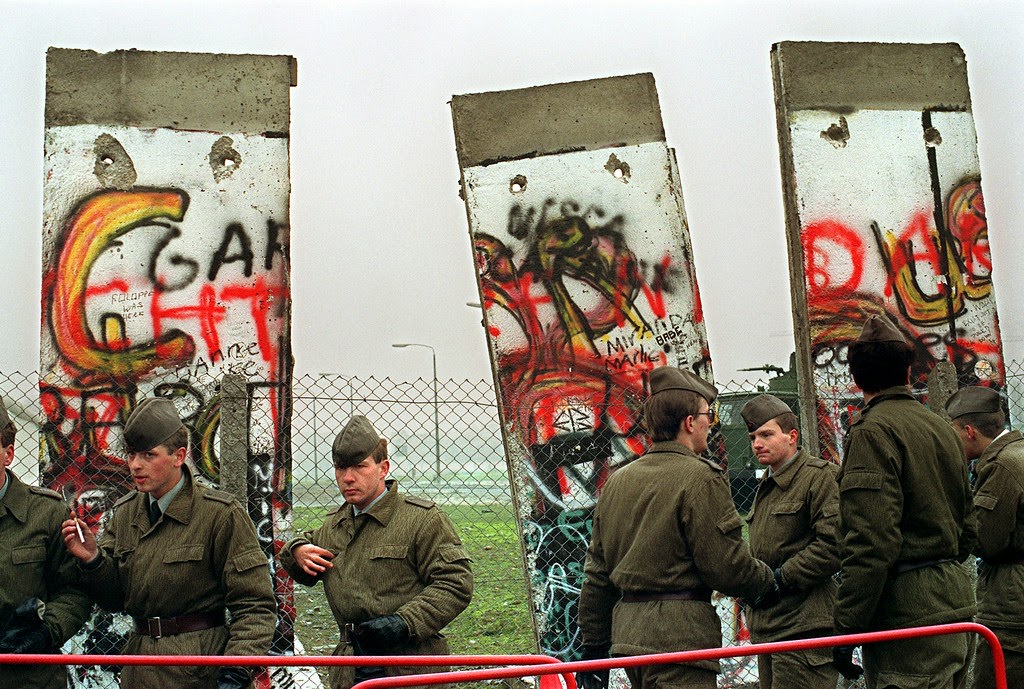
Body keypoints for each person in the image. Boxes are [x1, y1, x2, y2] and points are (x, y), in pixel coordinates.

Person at [577, 367, 776, 689]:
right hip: (680, 641)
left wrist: (593, 649)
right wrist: (770, 583)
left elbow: (598, 574)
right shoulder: (701, 477)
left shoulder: (617, 481)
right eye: (707, 416)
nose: (709, 424)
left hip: (629, 639)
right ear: (688, 422)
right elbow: (726, 567)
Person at [61, 396, 277, 689]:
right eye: (131, 455)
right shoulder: (126, 514)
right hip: (140, 668)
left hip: (200, 670)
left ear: (179, 456)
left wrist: (236, 671)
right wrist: (93, 559)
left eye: (148, 455)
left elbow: (255, 605)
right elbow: (115, 598)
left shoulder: (219, 514)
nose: (135, 465)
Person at [833, 315, 976, 688]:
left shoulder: (872, 432)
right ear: (908, 369)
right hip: (955, 602)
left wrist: (847, 628)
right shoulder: (942, 429)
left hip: (908, 617)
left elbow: (871, 541)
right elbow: (968, 525)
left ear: (857, 376)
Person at [279, 415, 473, 689]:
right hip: (351, 667)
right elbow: (302, 551)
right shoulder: (336, 524)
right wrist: (297, 550)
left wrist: (403, 623)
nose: (348, 478)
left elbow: (456, 584)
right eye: (340, 468)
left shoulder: (422, 520)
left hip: (410, 667)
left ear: (383, 468)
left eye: (360, 467)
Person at [740, 393, 840, 689]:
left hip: (804, 628)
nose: (757, 443)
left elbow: (833, 545)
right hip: (770, 628)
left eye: (766, 434)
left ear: (792, 436)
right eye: (753, 436)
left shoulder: (819, 478)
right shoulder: (768, 484)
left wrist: (780, 580)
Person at [0, 397, 92, 689]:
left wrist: (44, 633)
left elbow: (75, 590)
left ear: (8, 453)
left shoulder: (47, 513)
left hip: (29, 677)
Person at [946, 385, 1024, 689]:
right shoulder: (1016, 453)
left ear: (968, 431)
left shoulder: (1002, 465)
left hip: (1011, 600)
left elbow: (986, 541)